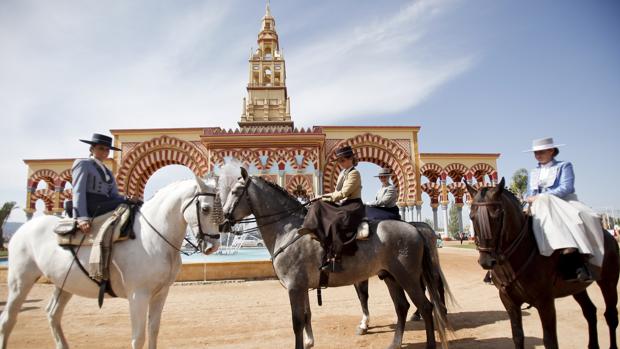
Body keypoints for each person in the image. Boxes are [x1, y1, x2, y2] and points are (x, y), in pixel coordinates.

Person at [524, 137, 605, 282]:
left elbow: (566, 187)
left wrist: (542, 197)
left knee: (585, 218)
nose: (537, 155)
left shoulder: (564, 165)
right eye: (535, 152)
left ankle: (578, 260)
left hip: (563, 200)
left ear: (551, 151)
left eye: (541, 151)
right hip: (538, 203)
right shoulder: (533, 172)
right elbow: (530, 191)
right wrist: (529, 197)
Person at [298, 145, 365, 272]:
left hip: (353, 206)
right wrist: (320, 198)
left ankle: (336, 258)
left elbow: (343, 194)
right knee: (318, 205)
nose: (341, 163)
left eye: (343, 160)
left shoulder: (354, 173)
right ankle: (309, 227)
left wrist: (323, 197)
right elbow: (336, 192)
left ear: (350, 159)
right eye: (339, 161)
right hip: (344, 205)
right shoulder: (342, 173)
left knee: (335, 221)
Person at [71, 133, 138, 234]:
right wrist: (82, 217)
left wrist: (127, 198)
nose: (105, 152)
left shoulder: (108, 172)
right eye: (101, 148)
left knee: (136, 203)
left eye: (107, 150)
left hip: (104, 203)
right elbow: (78, 190)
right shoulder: (83, 164)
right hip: (91, 204)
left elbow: (114, 195)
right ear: (92, 149)